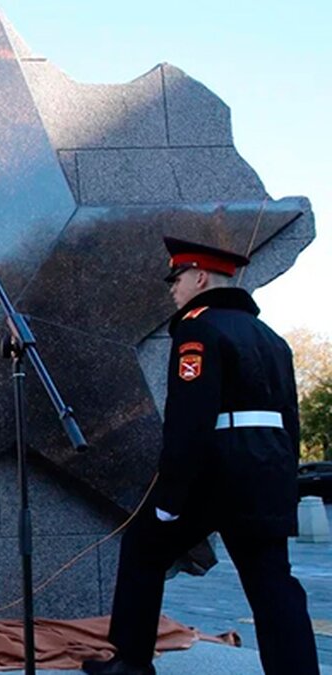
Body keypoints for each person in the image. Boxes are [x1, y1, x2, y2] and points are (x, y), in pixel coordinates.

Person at [82, 238, 318, 675]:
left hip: (216, 472)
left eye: (178, 278)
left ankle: (132, 662)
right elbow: (290, 420)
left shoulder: (198, 327)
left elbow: (190, 419)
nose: (173, 288)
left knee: (144, 547)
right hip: (266, 473)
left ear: (201, 278)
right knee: (272, 583)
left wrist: (171, 495)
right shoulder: (272, 338)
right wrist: (285, 484)